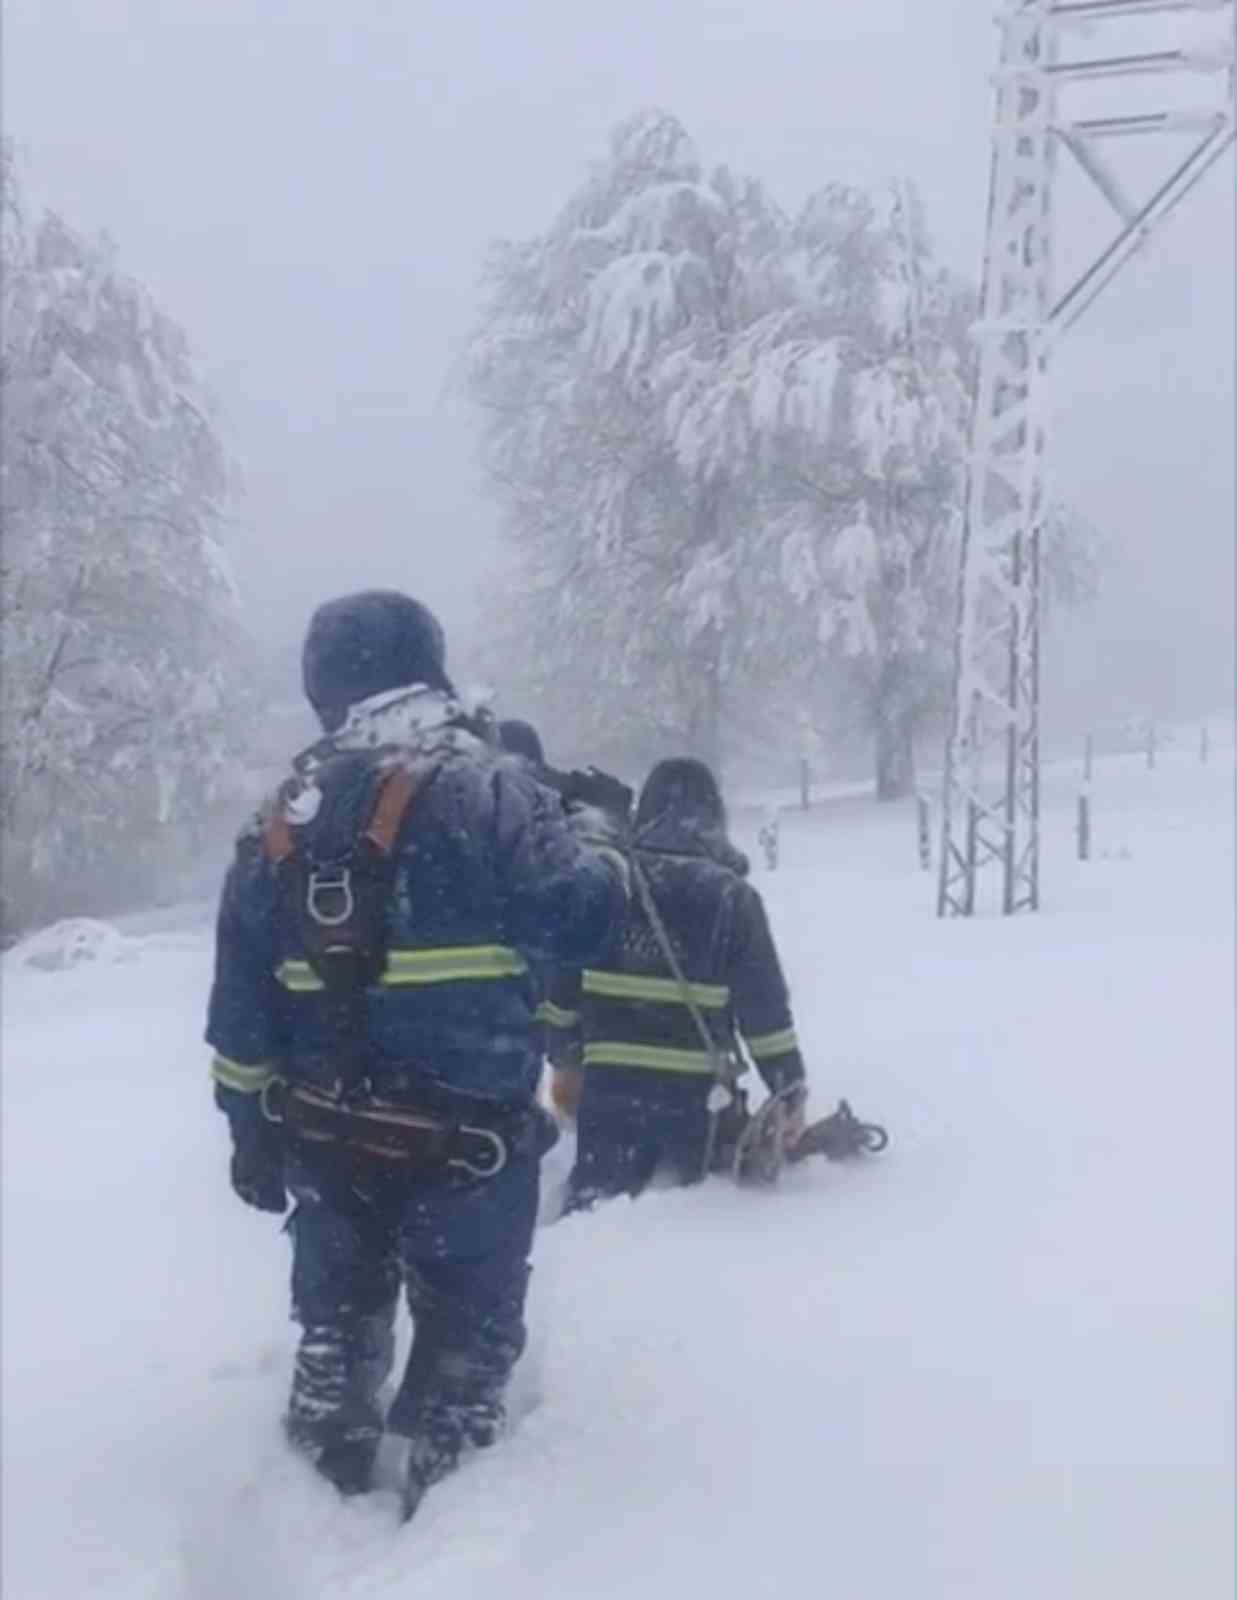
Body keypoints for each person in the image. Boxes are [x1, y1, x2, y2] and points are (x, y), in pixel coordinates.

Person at [205, 590, 628, 1516]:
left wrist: (247, 1129)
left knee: (337, 1336)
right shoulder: (492, 792)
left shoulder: (278, 818)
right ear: (429, 668)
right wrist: (598, 833)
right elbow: (585, 922)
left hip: (324, 1143)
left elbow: (240, 1011)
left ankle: (317, 1500)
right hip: (465, 1149)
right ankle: (449, 1533)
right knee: (464, 1356)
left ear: (323, 687)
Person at [545, 757, 807, 1207]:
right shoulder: (732, 897)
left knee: (596, 1204)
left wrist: (565, 1058)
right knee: (684, 1211)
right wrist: (789, 1089)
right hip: (696, 1100)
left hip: (607, 1092)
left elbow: (562, 987)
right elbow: (764, 1012)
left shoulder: (608, 880)